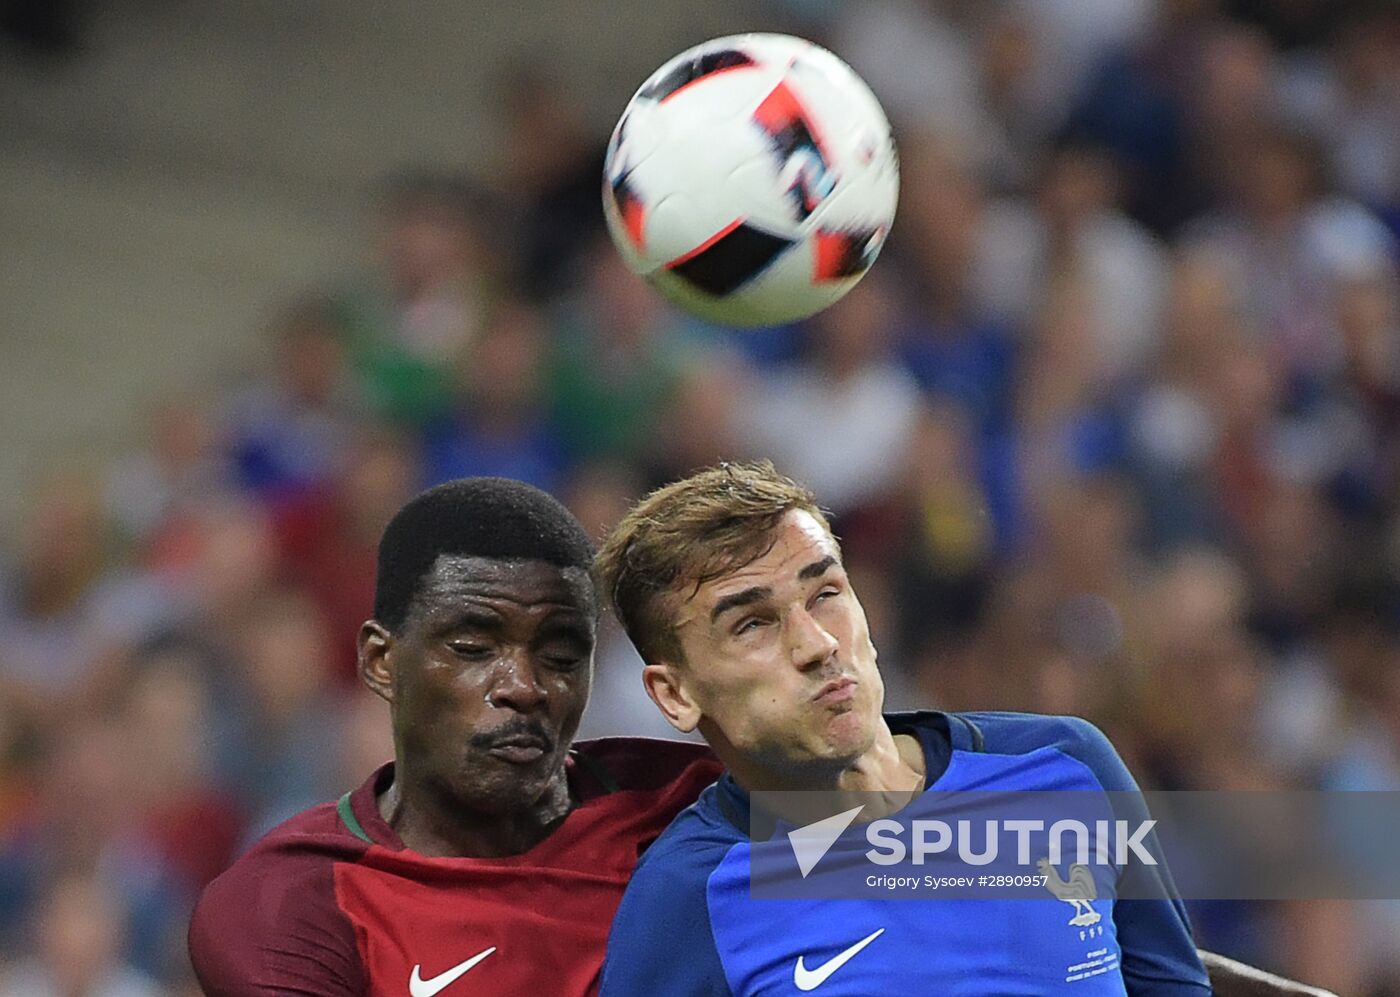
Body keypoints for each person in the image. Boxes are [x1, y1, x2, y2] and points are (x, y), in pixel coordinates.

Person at [593, 460, 1336, 996]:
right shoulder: (689, 898)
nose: (816, 642)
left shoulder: (1065, 764)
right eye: (753, 622)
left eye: (826, 592)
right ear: (675, 693)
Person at [187, 478, 719, 995]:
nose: (525, 688)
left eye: (561, 657)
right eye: (472, 648)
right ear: (381, 661)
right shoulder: (292, 901)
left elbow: (803, 904)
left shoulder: (685, 810)